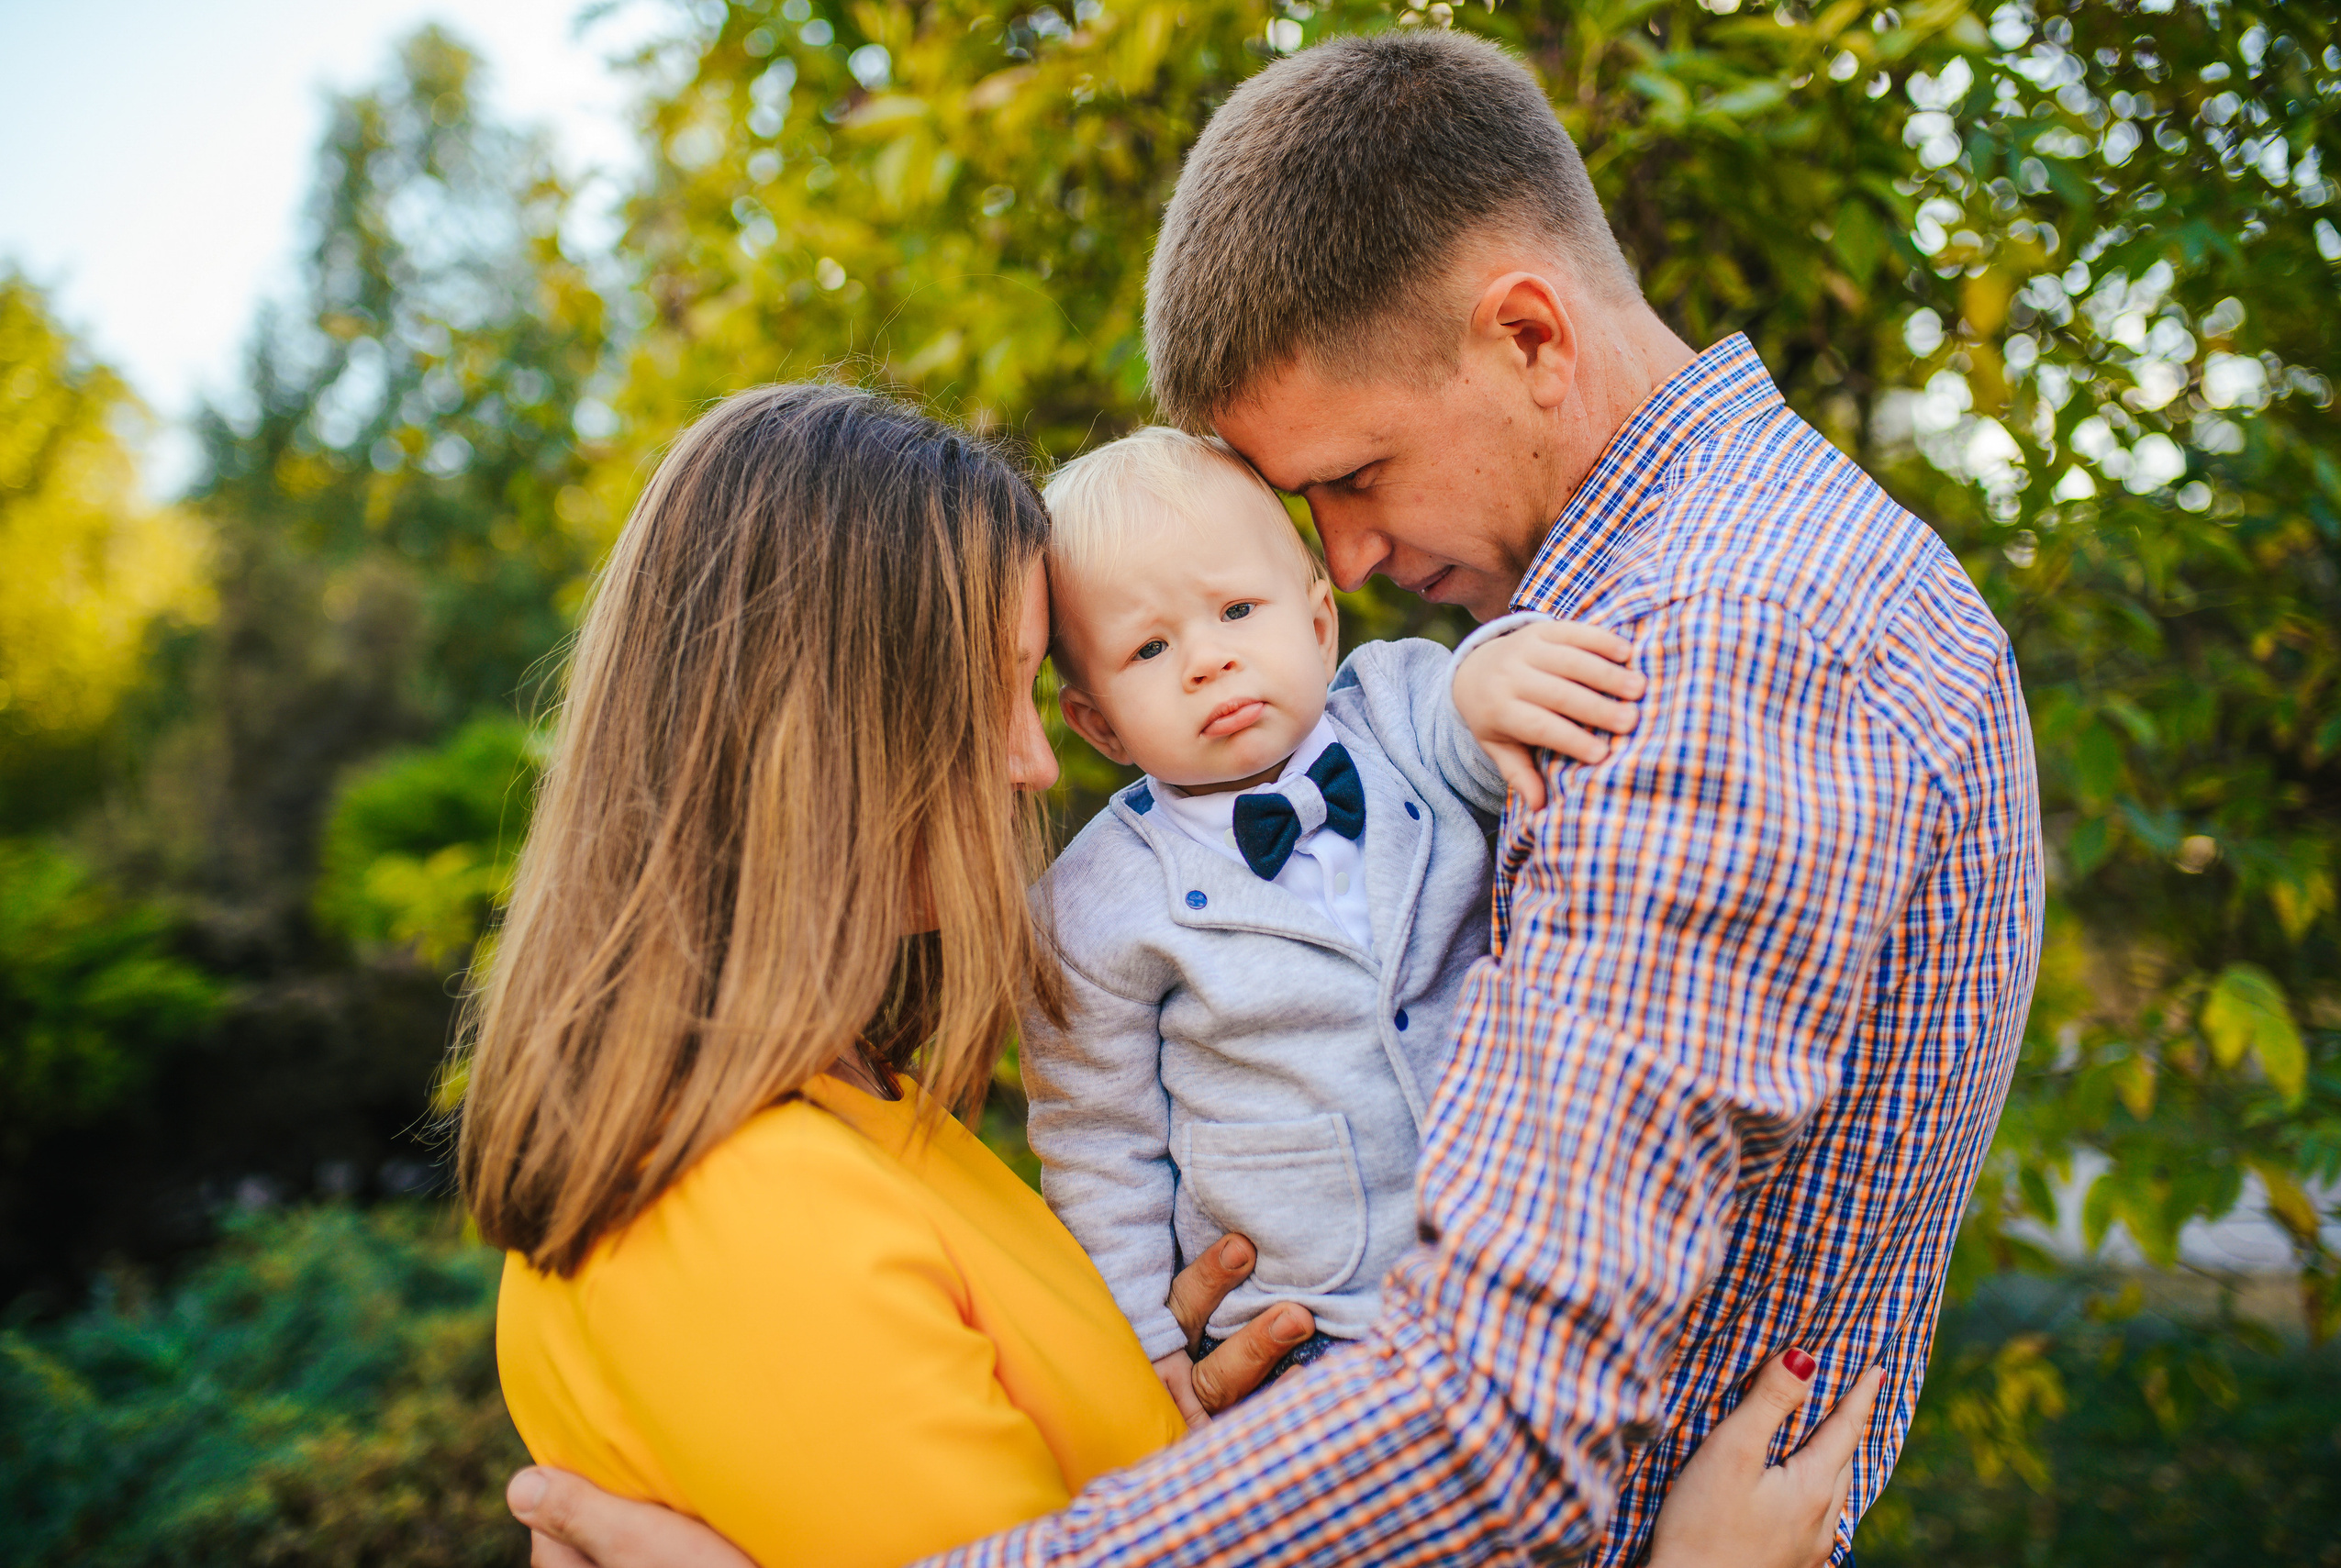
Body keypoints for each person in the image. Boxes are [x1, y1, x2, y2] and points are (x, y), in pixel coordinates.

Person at [509, 25, 2040, 1568]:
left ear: (1529, 336)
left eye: (1356, 477)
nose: (1347, 570)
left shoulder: (1724, 647)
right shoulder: (1683, 617)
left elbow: (1495, 1422)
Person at [473, 381, 1873, 1568]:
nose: (1034, 766)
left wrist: (1174, 1393)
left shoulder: (863, 1120)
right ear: (823, 747)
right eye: (1002, 699)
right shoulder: (737, 1221)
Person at [1028, 425, 1642, 1415]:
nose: (1207, 660)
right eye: (1148, 647)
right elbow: (1099, 1142)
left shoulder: (1401, 706)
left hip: (1522, 1263)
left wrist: (1488, 674)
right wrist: (1141, 1345)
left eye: (1235, 608)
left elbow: (1482, 728)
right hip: (1301, 1329)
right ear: (1097, 722)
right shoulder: (1091, 902)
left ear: (1319, 621)